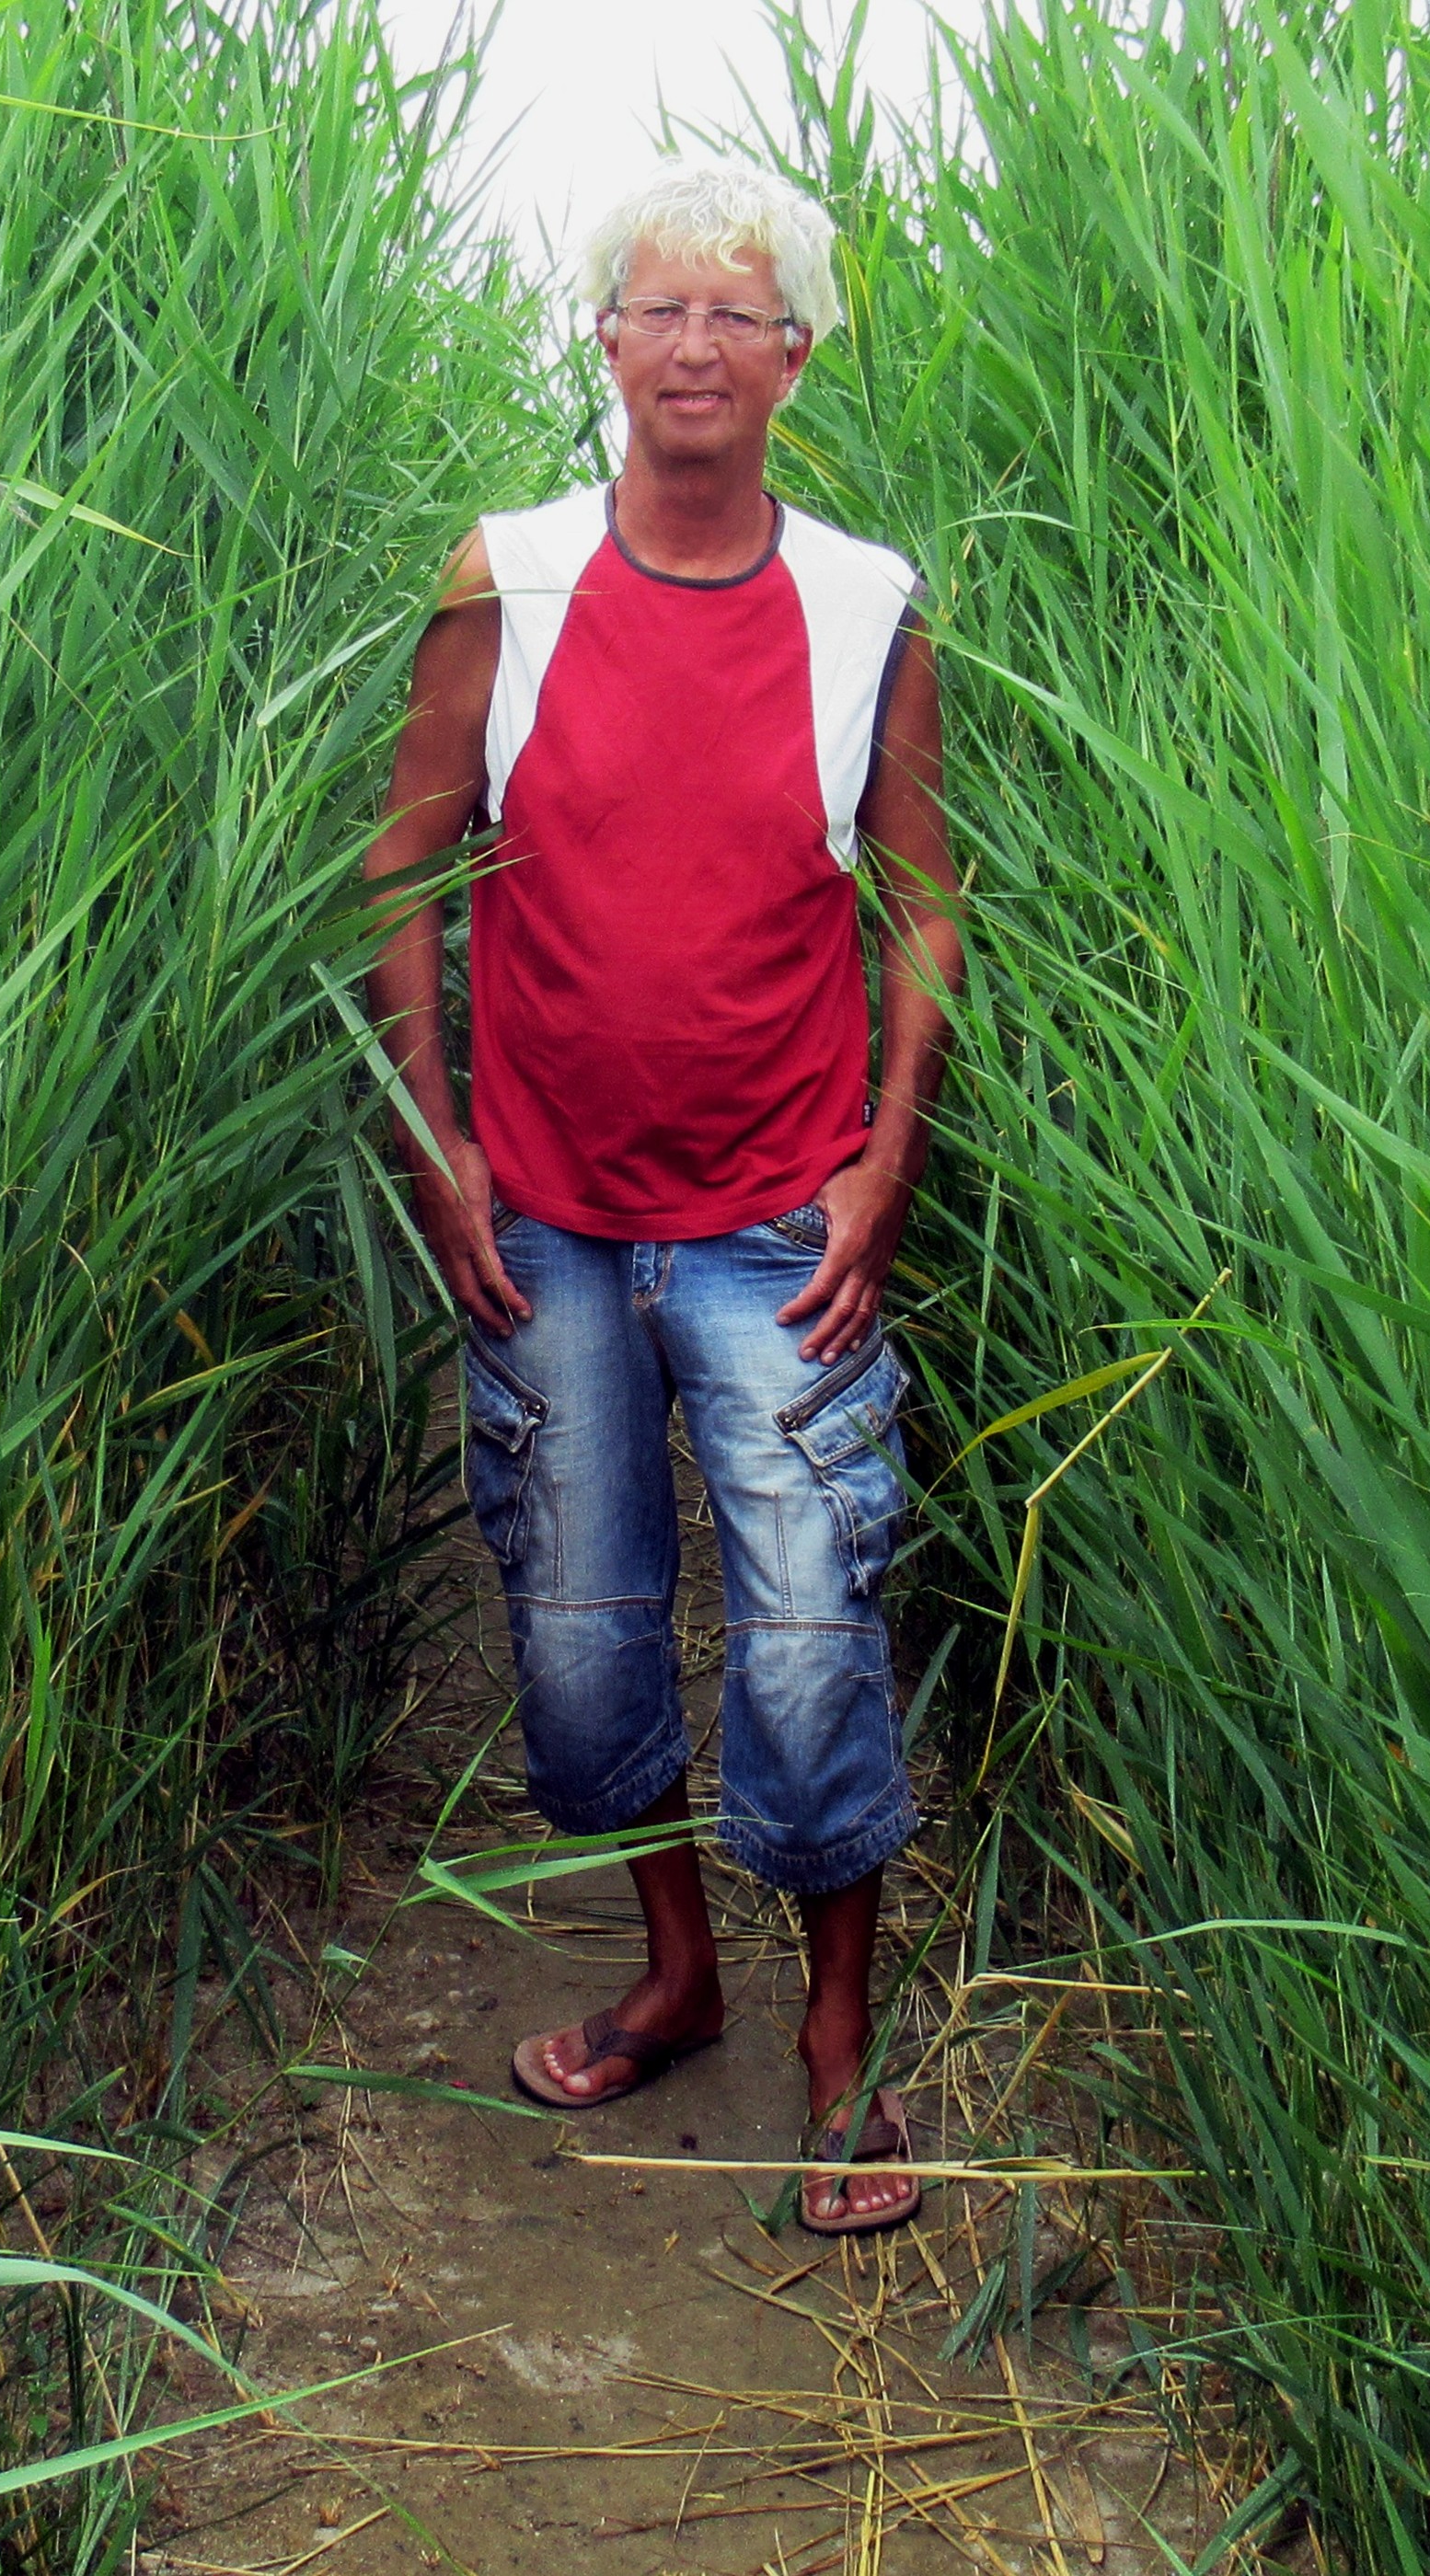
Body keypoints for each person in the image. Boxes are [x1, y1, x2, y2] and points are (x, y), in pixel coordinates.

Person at [360, 160, 958, 2237]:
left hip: (778, 1216)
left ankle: (838, 2039)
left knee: (809, 1612)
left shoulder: (864, 603)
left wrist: (887, 1154)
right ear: (605, 342)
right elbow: (402, 864)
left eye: (739, 314)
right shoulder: (511, 578)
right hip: (543, 1215)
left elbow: (924, 895)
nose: (695, 346)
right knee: (582, 1615)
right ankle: (679, 1971)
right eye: (660, 309)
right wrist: (437, 1139)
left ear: (795, 360)